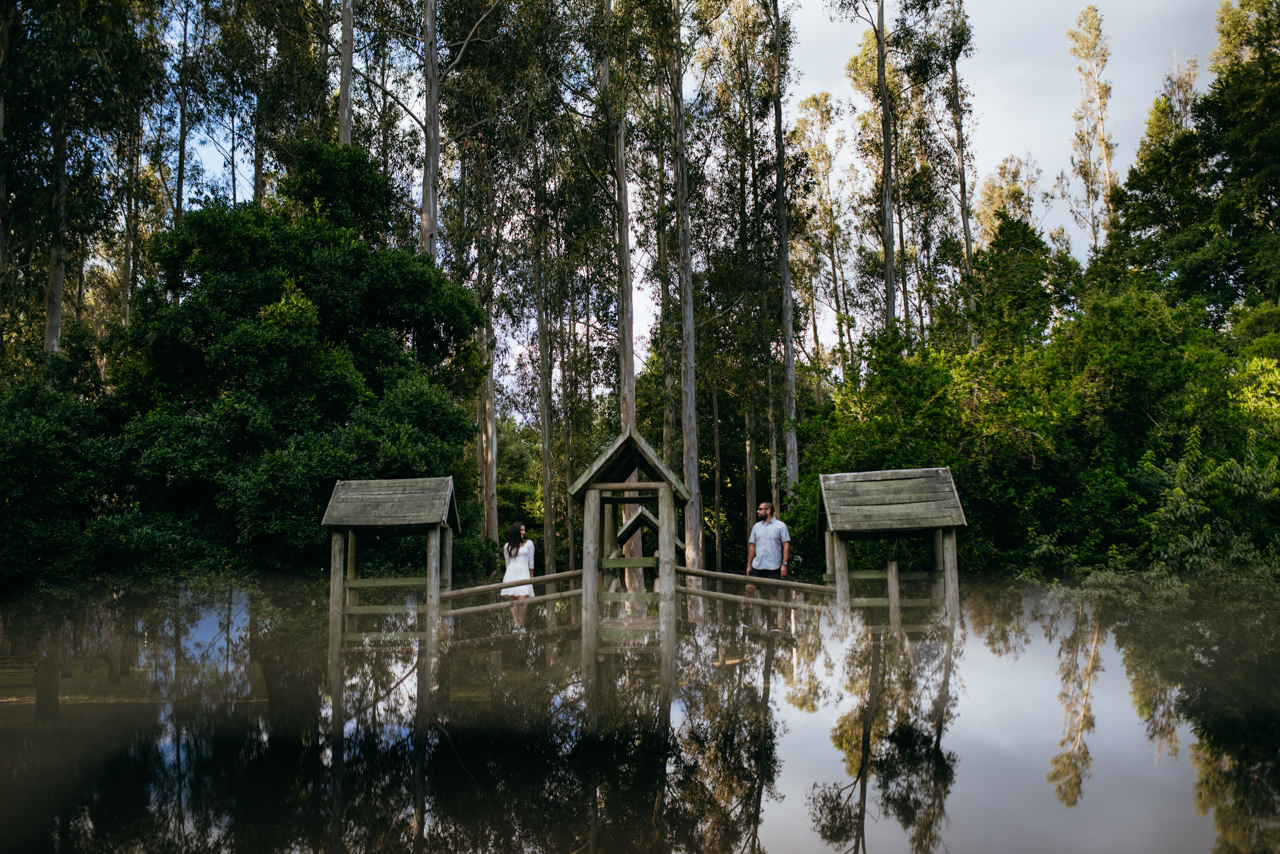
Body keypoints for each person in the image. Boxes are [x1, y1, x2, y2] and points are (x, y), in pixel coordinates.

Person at [745, 501, 789, 624]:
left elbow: (786, 545)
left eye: (760, 509)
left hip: (773, 566)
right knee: (749, 588)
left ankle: (773, 622)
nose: (758, 511)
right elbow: (752, 546)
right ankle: (747, 617)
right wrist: (749, 565)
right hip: (757, 565)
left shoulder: (781, 526)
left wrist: (784, 564)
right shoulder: (756, 527)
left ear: (768, 511)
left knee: (773, 593)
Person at [502, 522, 535, 629]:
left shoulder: (529, 544)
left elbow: (531, 561)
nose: (523, 532)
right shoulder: (507, 546)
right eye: (521, 530)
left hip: (524, 573)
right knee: (514, 599)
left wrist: (531, 577)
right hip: (512, 574)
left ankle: (521, 623)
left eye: (524, 530)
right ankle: (515, 625)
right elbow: (507, 563)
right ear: (516, 531)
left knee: (522, 598)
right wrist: (508, 578)